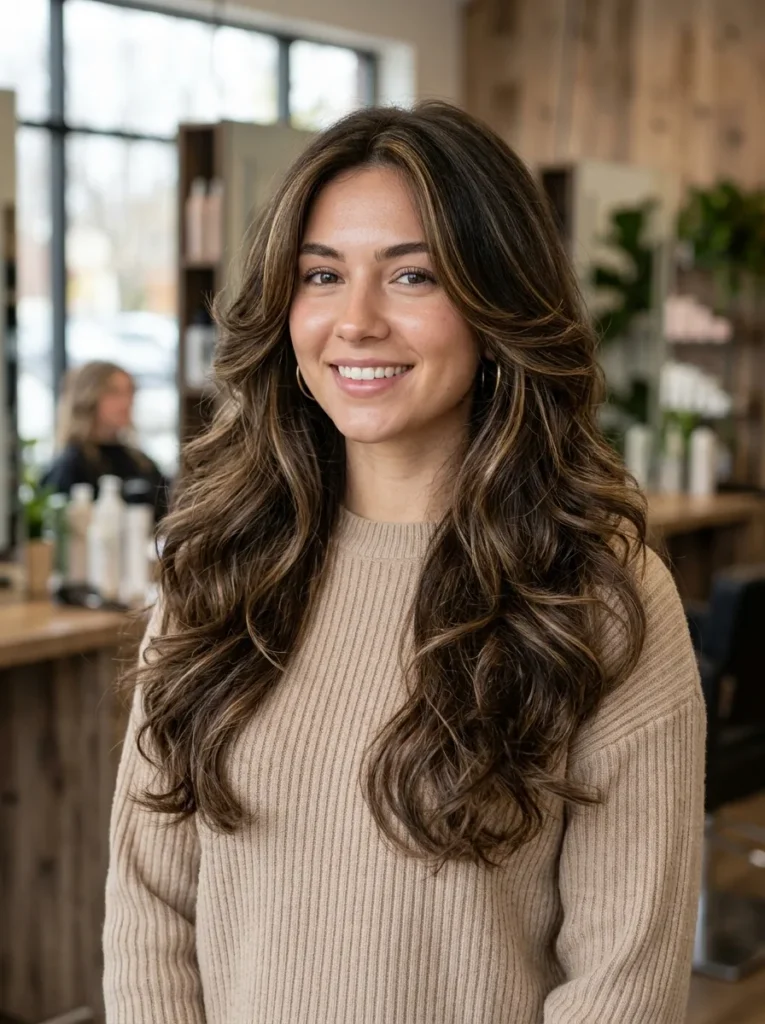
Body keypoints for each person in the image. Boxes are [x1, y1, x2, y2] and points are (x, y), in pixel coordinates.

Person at [103, 102, 705, 1024]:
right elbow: (150, 912)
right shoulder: (218, 566)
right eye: (321, 274)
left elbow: (622, 982)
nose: (356, 321)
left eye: (413, 275)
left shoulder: (594, 595)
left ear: (495, 301)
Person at [42, 360, 171, 521]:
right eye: (114, 393)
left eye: (130, 392)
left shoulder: (141, 464)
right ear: (88, 397)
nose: (126, 402)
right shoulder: (69, 466)